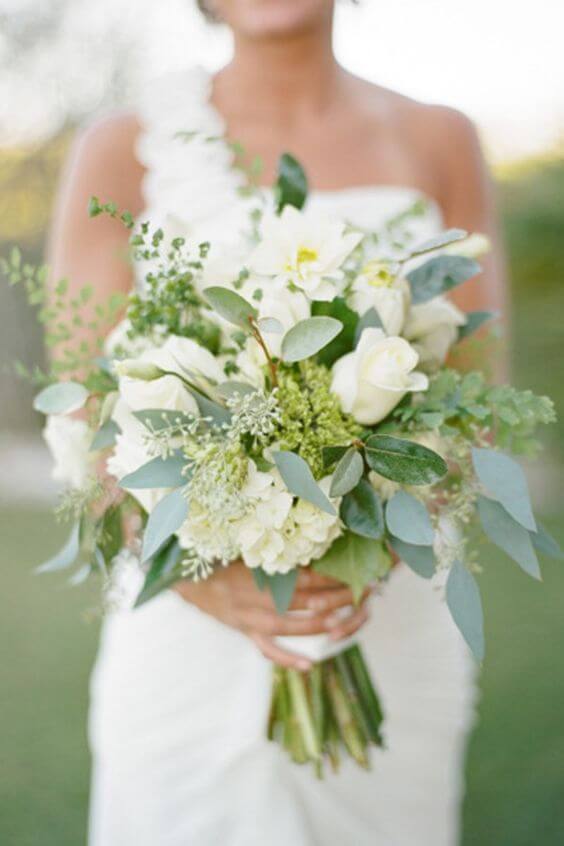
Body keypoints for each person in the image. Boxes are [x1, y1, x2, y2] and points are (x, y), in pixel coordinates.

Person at [48, 1, 507, 843]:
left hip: (388, 610)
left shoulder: (438, 136)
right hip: (185, 627)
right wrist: (202, 583)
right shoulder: (120, 146)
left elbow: (480, 401)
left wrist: (376, 539)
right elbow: (84, 415)